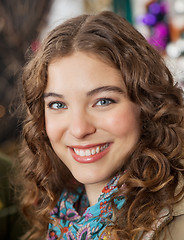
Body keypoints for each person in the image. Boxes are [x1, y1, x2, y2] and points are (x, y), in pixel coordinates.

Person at [17, 11, 184, 240]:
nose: (79, 129)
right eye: (57, 104)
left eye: (103, 101)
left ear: (147, 104)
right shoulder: (58, 213)